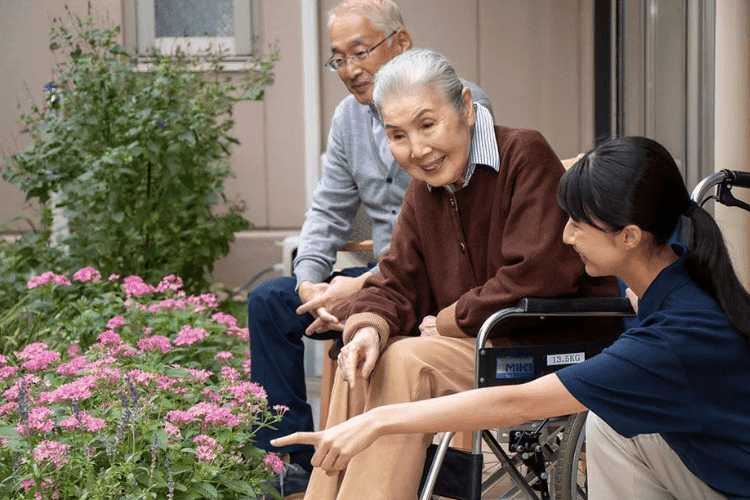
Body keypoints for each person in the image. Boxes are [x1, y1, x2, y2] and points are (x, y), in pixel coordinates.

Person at [273, 135, 750, 500]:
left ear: (628, 235)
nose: (564, 236)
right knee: (610, 424)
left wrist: (379, 421)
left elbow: (517, 405)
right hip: (710, 456)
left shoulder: (674, 336)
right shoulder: (671, 263)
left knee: (604, 419)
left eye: (577, 224)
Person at [273, 48, 619, 500]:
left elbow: (539, 272)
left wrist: (455, 317)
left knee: (404, 360)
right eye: (398, 135)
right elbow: (397, 279)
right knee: (358, 358)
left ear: (467, 108)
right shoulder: (425, 191)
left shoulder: (523, 153)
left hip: (545, 340)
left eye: (427, 124)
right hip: (478, 345)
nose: (417, 149)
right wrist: (367, 329)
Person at [248, 2, 493, 496]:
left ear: (400, 43)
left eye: (359, 52)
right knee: (272, 302)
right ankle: (294, 462)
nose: (349, 69)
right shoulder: (348, 118)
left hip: (432, 278)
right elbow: (327, 210)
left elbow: (456, 230)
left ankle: (406, 468)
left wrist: (358, 289)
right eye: (337, 59)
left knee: (362, 313)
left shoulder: (449, 104)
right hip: (380, 272)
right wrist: (311, 281)